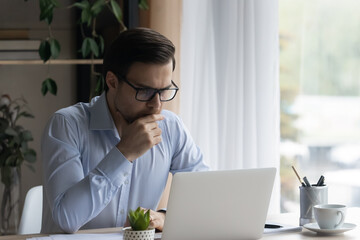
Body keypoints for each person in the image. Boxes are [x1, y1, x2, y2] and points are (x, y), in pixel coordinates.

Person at [41, 28, 209, 234]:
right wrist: (123, 153)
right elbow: (67, 219)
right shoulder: (66, 125)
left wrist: (165, 216)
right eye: (145, 91)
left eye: (163, 91)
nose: (156, 106)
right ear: (112, 82)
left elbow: (203, 193)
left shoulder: (171, 127)